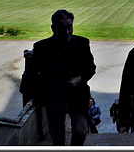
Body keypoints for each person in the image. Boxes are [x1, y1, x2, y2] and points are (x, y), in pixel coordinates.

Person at [27, 9, 96, 146]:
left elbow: (91, 68)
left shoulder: (83, 43)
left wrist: (80, 78)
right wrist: (38, 95)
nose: (67, 31)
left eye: (69, 27)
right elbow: (31, 74)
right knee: (57, 138)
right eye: (62, 28)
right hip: (53, 98)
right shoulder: (41, 47)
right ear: (53, 28)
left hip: (77, 96)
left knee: (81, 131)